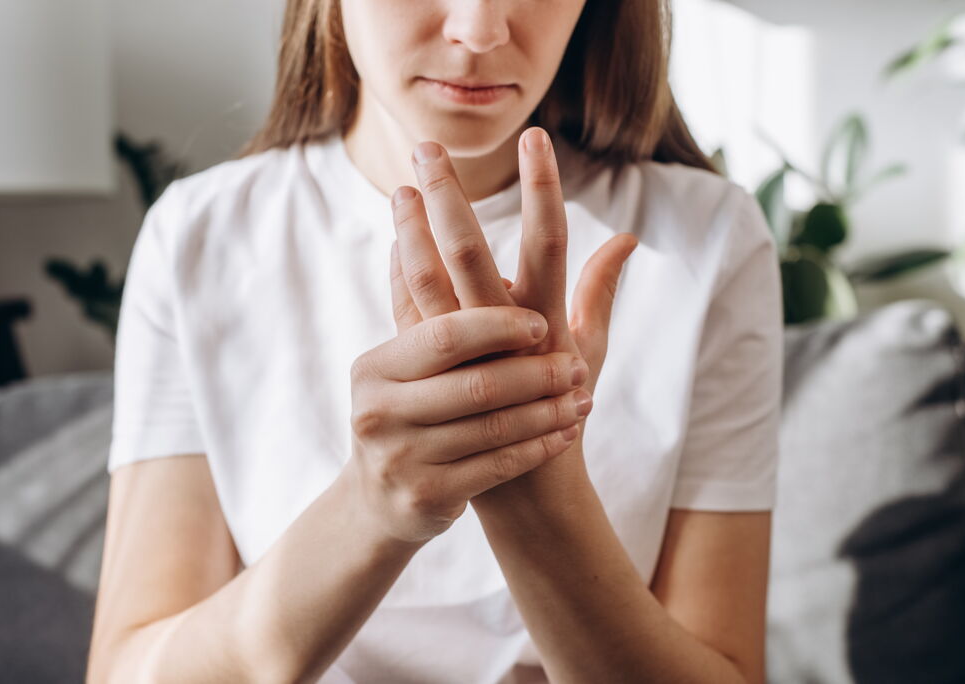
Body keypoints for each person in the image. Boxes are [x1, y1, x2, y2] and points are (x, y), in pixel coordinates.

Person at [87, 0, 783, 682]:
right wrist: (374, 503)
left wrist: (538, 497)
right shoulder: (200, 237)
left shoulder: (706, 240)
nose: (480, 30)